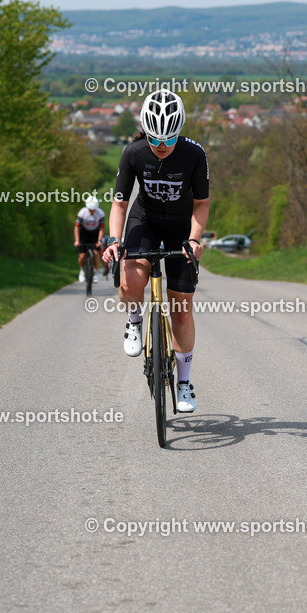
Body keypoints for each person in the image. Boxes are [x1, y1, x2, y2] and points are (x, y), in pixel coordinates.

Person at [101, 89, 209, 412]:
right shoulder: (133, 153)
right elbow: (120, 203)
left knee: (180, 309)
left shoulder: (194, 154)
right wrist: (114, 240)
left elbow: (201, 203)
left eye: (169, 139)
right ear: (145, 133)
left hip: (180, 227)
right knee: (131, 279)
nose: (162, 147)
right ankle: (135, 318)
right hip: (144, 219)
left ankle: (184, 382)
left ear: (179, 131)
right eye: (155, 140)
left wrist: (193, 239)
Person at [75, 196, 105, 283]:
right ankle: (82, 270)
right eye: (90, 210)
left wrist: (99, 240)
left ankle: (95, 273)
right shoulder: (82, 213)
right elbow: (77, 227)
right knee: (82, 256)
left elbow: (102, 228)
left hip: (95, 234)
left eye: (94, 209)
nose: (92, 211)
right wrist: (77, 240)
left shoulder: (100, 214)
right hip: (84, 234)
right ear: (87, 207)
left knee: (96, 253)